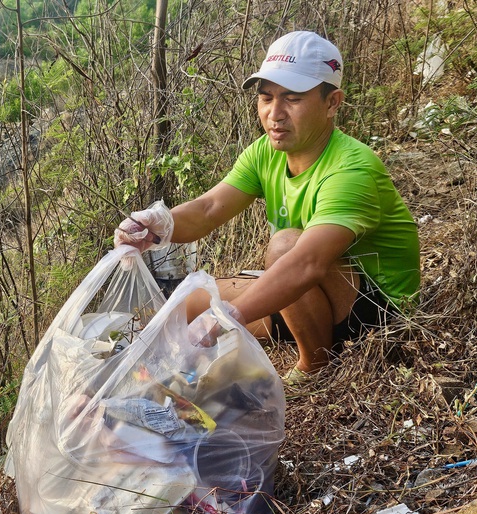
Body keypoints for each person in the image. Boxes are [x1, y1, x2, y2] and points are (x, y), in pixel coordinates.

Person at [114, 31, 421, 386]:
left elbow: (307, 263)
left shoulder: (352, 168)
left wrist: (230, 315)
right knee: (182, 308)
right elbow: (212, 207)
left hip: (379, 312)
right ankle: (300, 329)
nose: (275, 114)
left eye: (292, 98)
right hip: (312, 297)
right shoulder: (266, 152)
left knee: (284, 246)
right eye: (266, 98)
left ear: (332, 102)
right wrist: (158, 225)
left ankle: (315, 365)